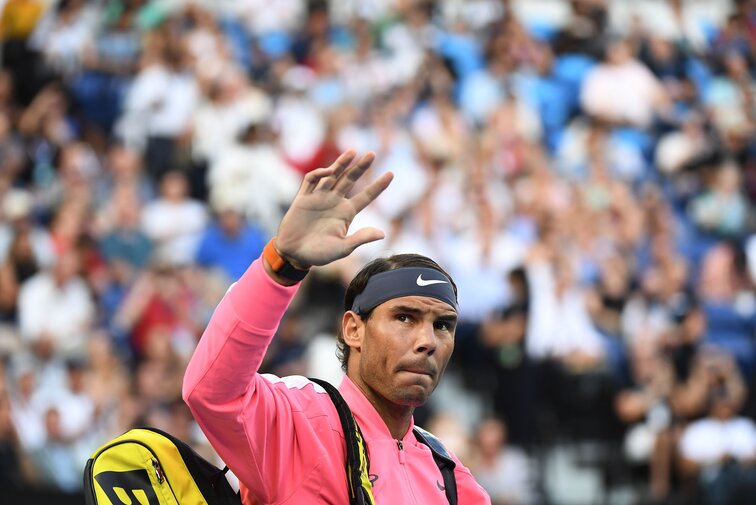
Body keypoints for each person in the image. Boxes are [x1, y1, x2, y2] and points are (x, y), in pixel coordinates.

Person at [183, 149, 491, 503]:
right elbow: (210, 391)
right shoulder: (299, 422)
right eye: (404, 317)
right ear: (353, 329)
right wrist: (281, 265)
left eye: (443, 325)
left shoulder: (451, 477)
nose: (427, 340)